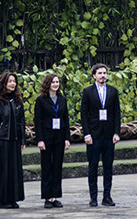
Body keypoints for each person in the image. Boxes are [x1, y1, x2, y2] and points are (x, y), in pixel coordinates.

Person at [80, 63, 121, 207]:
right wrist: (86, 134)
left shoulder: (113, 91)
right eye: (100, 73)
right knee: (93, 166)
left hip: (109, 134)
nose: (103, 75)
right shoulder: (88, 91)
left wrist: (117, 132)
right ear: (94, 75)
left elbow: (117, 113)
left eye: (105, 73)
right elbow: (84, 114)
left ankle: (107, 196)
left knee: (108, 166)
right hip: (94, 134)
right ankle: (93, 197)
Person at [0, 71, 26, 209]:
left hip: (14, 140)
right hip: (3, 140)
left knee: (14, 170)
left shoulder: (18, 101)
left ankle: (13, 198)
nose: (13, 84)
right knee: (3, 171)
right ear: (4, 83)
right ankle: (2, 200)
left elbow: (21, 122)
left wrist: (22, 140)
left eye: (14, 81)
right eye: (10, 81)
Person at [34, 73, 71, 208]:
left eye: (57, 82)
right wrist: (40, 140)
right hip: (46, 136)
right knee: (47, 167)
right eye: (53, 82)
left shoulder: (62, 99)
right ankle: (47, 197)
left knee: (57, 166)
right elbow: (37, 121)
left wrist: (67, 138)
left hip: (59, 136)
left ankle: (55, 196)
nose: (56, 84)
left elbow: (66, 120)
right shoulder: (41, 100)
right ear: (48, 84)